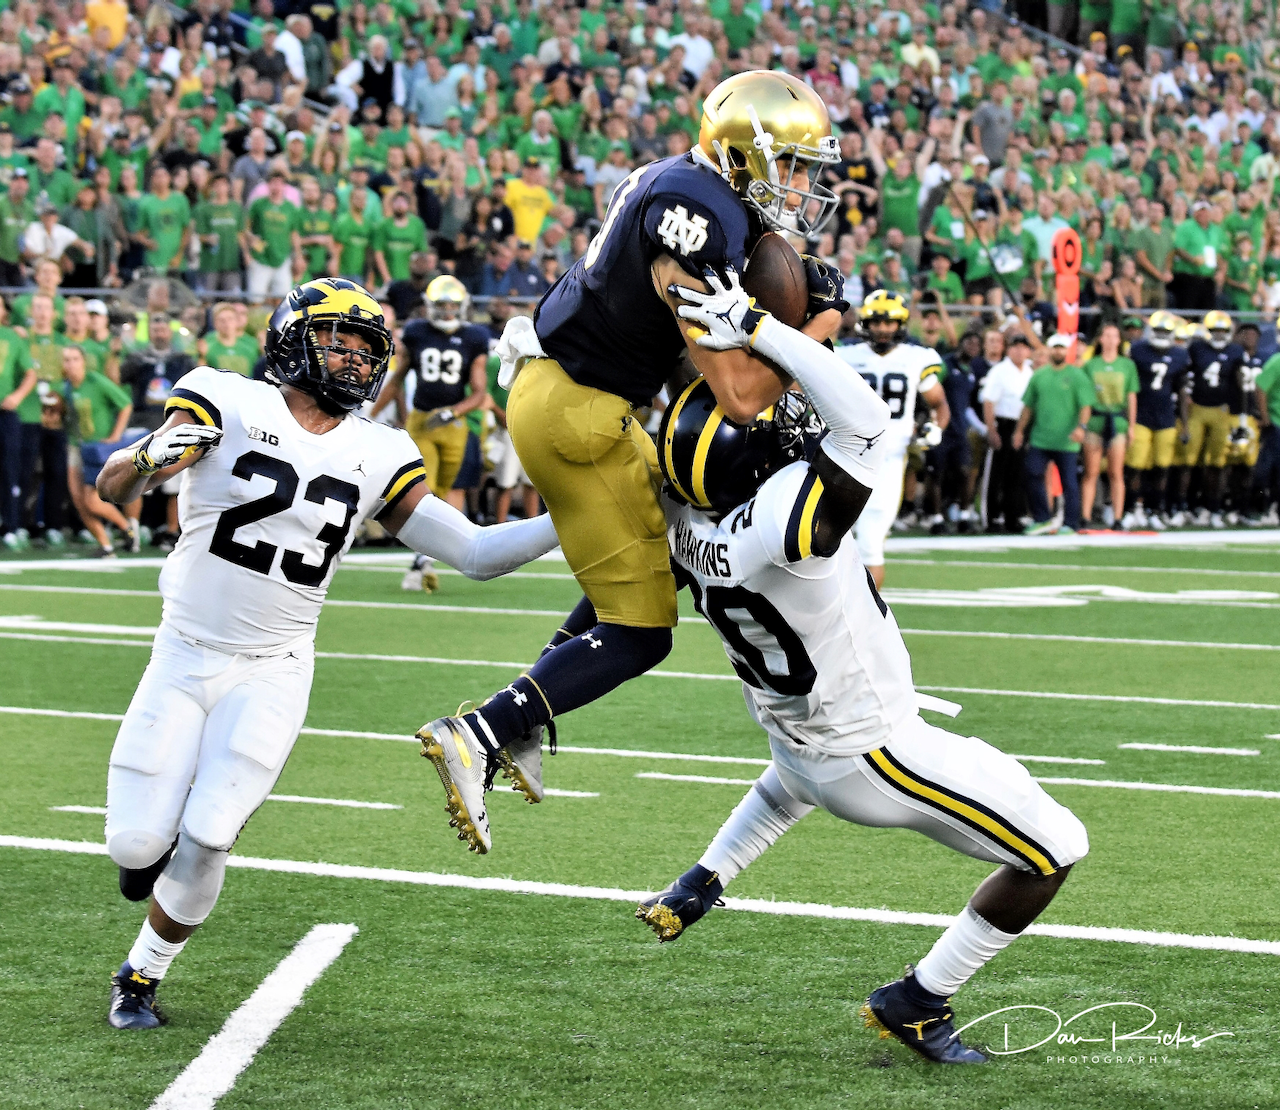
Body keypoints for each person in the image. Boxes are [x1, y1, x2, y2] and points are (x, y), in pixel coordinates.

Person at [638, 273, 1088, 1066]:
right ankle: (919, 999)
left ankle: (700, 881)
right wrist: (759, 325)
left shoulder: (683, 522)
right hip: (875, 752)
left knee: (797, 770)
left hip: (797, 747)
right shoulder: (786, 523)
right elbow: (868, 422)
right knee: (1055, 848)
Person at [96, 277, 560, 1030]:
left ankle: (141, 975)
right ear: (290, 339)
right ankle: (151, 852)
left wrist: (567, 520)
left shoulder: (378, 451)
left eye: (364, 347)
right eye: (335, 340)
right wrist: (151, 453)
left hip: (276, 665)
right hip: (182, 652)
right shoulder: (223, 396)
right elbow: (113, 485)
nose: (350, 359)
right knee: (135, 842)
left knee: (211, 834)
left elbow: (474, 552)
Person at [415, 71, 843, 855]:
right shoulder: (696, 216)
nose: (805, 185)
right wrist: (815, 328)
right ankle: (482, 731)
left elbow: (690, 361)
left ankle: (527, 711)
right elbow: (740, 396)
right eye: (794, 164)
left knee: (678, 543)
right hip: (576, 413)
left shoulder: (685, 187)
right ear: (744, 153)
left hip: (580, 397)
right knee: (642, 633)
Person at [372, 275, 490, 590]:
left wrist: (453, 412)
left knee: (451, 490)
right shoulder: (416, 332)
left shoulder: (474, 337)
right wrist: (370, 414)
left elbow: (479, 392)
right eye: (442, 305)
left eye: (453, 305)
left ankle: (431, 555)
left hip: (453, 423)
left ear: (463, 306)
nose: (449, 311)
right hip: (422, 421)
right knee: (424, 488)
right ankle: (422, 558)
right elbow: (397, 378)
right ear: (430, 306)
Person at [837, 291, 949, 586]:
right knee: (831, 540)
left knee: (871, 541)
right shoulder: (845, 354)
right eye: (876, 322)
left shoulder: (917, 358)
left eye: (890, 322)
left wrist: (935, 427)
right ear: (865, 323)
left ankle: (867, 615)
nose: (883, 329)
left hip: (889, 456)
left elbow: (939, 404)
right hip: (843, 452)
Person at [1015, 334, 1095, 535]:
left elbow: (1086, 405)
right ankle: (1042, 518)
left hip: (1067, 440)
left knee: (1069, 482)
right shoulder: (1039, 375)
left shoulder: (1077, 376)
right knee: (1032, 473)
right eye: (1055, 348)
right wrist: (1019, 430)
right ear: (1049, 350)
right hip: (1041, 438)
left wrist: (1081, 428)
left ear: (1066, 350)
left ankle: (1070, 522)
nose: (1058, 351)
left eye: (1061, 348)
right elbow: (1028, 406)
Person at [63, 344, 136, 557]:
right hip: (76, 445)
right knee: (78, 499)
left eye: (75, 359)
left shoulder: (95, 381)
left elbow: (125, 404)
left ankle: (126, 528)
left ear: (83, 361)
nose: (71, 364)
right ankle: (106, 545)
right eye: (67, 360)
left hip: (98, 449)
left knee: (92, 500)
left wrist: (115, 435)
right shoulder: (67, 387)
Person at [1124, 311, 1189, 529]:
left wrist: (1185, 423)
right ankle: (1132, 508)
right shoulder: (1137, 350)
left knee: (1162, 467)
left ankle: (1155, 509)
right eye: (1158, 330)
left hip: (1166, 417)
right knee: (1135, 465)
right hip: (1141, 415)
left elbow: (1181, 390)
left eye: (1165, 331)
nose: (1161, 334)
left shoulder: (1179, 355)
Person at [1181, 311, 1245, 527]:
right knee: (1189, 461)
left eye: (1223, 331)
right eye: (1214, 331)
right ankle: (1184, 506)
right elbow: (1185, 377)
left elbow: (1240, 388)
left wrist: (1241, 420)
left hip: (1221, 410)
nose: (1218, 335)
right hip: (1198, 408)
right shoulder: (1197, 348)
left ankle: (1213, 507)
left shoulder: (1236, 351)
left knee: (1217, 463)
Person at [1080, 322, 1139, 528]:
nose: (1111, 340)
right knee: (1091, 472)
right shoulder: (1091, 365)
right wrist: (1083, 423)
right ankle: (1085, 516)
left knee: (1116, 472)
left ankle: (1117, 516)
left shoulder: (1127, 365)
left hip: (1117, 420)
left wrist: (1131, 425)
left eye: (1114, 336)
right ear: (1100, 339)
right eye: (1107, 335)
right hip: (1096, 419)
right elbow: (1085, 396)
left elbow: (1131, 397)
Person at [979, 331, 1035, 533]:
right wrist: (992, 430)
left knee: (1017, 474)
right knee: (996, 474)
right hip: (1003, 424)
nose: (1019, 351)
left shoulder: (1029, 371)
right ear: (1008, 349)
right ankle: (991, 517)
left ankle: (1013, 517)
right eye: (1015, 346)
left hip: (1022, 426)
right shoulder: (1000, 371)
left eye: (1023, 347)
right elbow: (988, 401)